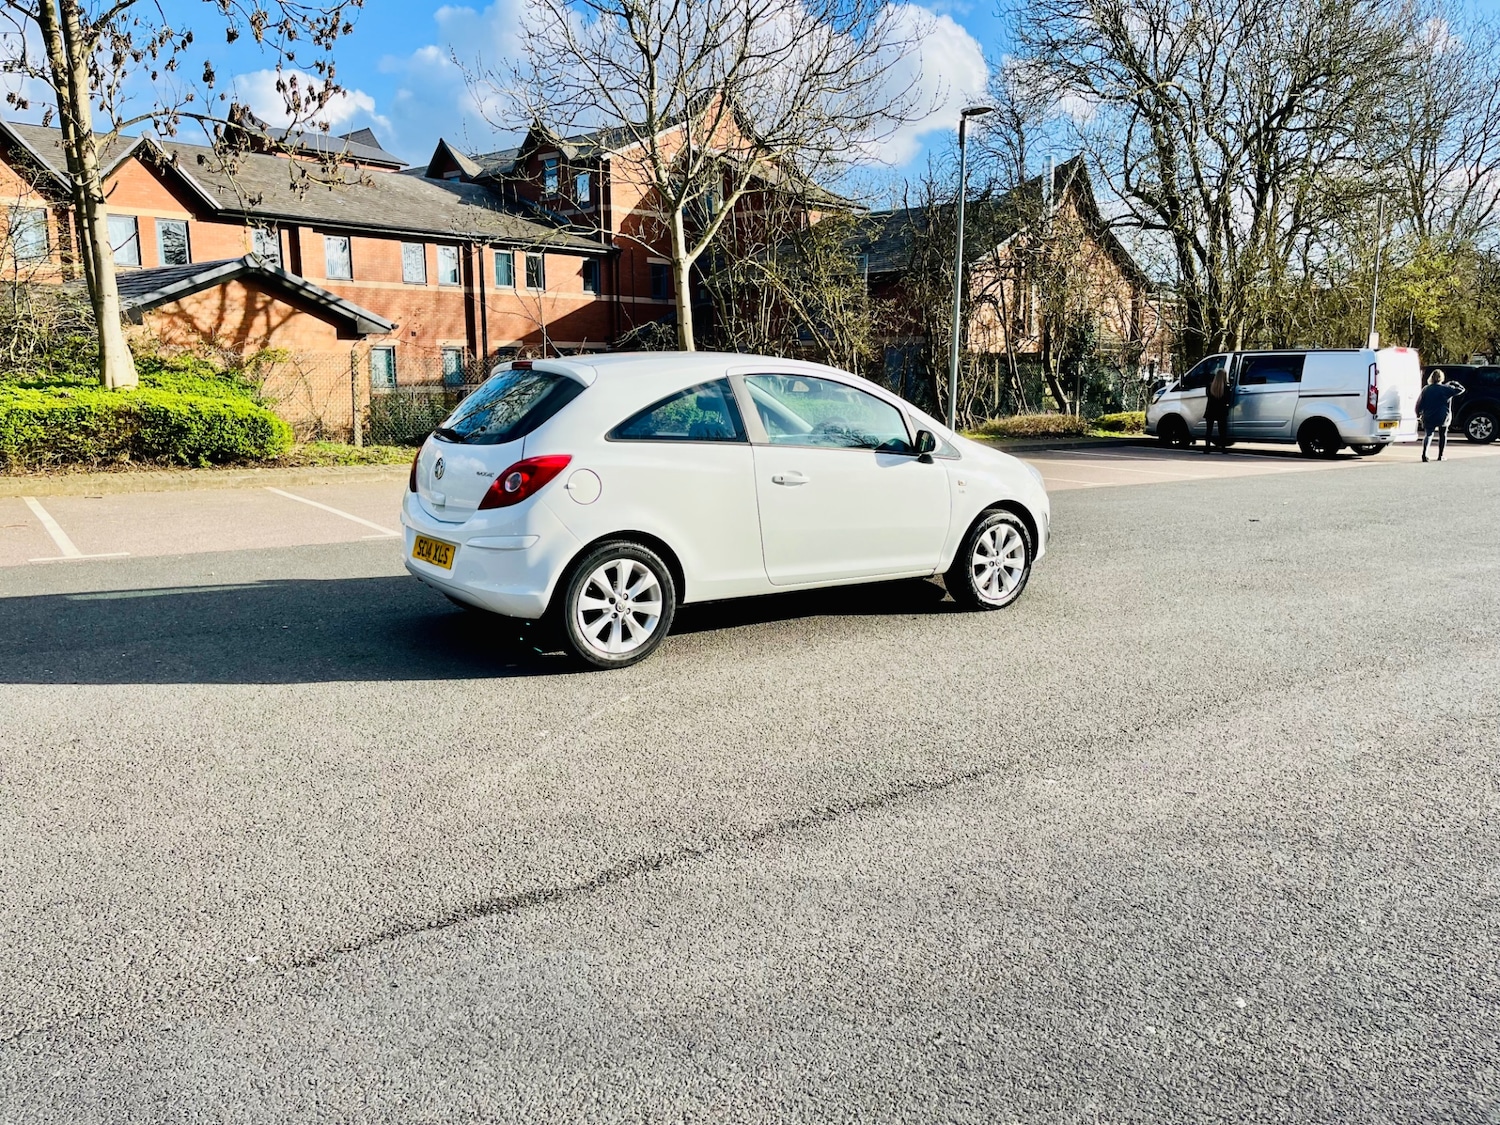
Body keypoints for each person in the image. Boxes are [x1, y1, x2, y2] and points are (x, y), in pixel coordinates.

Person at [1416, 370, 1465, 462]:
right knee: (1443, 434)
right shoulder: (1446, 389)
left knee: (1428, 435)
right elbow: (1461, 389)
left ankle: (1425, 453)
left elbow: (1420, 403)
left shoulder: (1426, 389)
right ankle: (1440, 455)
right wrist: (1454, 383)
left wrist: (1418, 413)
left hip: (1429, 415)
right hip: (1443, 415)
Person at [1203, 365, 1231, 453]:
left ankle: (1207, 447)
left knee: (1209, 429)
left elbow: (1208, 396)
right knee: (1222, 430)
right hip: (1221, 410)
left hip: (1211, 409)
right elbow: (1227, 399)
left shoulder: (1210, 386)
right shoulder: (1226, 388)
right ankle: (1223, 448)